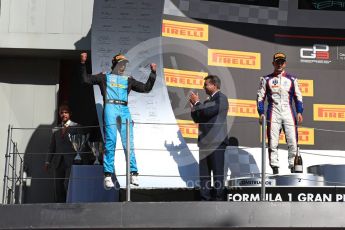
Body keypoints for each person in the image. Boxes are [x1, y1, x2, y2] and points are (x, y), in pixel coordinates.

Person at [80, 52, 157, 189]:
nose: (123, 67)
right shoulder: (104, 77)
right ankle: (108, 174)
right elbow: (86, 79)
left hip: (124, 109)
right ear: (115, 64)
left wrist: (153, 73)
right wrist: (82, 63)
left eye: (125, 65)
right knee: (111, 140)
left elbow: (146, 88)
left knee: (129, 142)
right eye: (121, 64)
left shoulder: (128, 79)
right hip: (110, 107)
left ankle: (134, 172)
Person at [257, 52, 303, 175]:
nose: (279, 64)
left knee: (293, 140)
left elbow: (298, 97)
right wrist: (261, 112)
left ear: (285, 64)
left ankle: (293, 167)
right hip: (273, 112)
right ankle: (275, 169)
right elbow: (260, 98)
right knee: (273, 141)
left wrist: (299, 111)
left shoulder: (292, 79)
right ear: (273, 63)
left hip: (288, 111)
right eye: (277, 62)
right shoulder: (266, 79)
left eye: (282, 62)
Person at [189, 75, 229, 201]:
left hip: (216, 142)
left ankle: (218, 200)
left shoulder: (221, 98)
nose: (204, 87)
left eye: (206, 84)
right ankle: (204, 199)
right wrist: (193, 108)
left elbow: (207, 112)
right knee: (204, 175)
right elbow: (198, 118)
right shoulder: (206, 102)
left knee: (217, 173)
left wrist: (197, 103)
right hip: (204, 142)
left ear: (214, 85)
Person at [44, 104, 79, 202]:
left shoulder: (76, 127)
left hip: (71, 161)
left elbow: (81, 145)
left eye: (66, 112)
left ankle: (70, 205)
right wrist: (47, 162)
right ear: (59, 114)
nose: (64, 114)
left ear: (70, 113)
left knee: (68, 184)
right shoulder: (56, 130)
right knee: (58, 187)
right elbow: (51, 147)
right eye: (62, 112)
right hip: (58, 162)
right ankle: (60, 206)